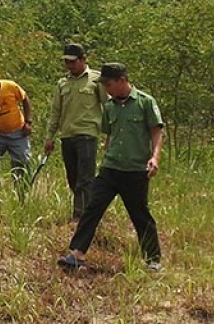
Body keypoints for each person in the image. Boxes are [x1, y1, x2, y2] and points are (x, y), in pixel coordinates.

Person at [59, 62, 164, 272]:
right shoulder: (109, 107)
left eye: (108, 84)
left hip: (135, 169)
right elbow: (109, 134)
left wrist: (154, 158)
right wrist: (107, 152)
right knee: (92, 207)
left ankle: (153, 259)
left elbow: (156, 131)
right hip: (111, 168)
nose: (106, 88)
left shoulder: (145, 102)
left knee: (139, 214)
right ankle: (77, 253)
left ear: (122, 81)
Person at [43, 43, 105, 223]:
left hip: (87, 134)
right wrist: (49, 136)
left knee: (85, 177)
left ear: (83, 60)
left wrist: (110, 133)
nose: (69, 65)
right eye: (66, 62)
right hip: (67, 135)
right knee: (73, 177)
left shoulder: (96, 80)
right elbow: (56, 111)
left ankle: (81, 215)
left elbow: (107, 107)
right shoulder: (63, 83)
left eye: (73, 62)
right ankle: (89, 209)